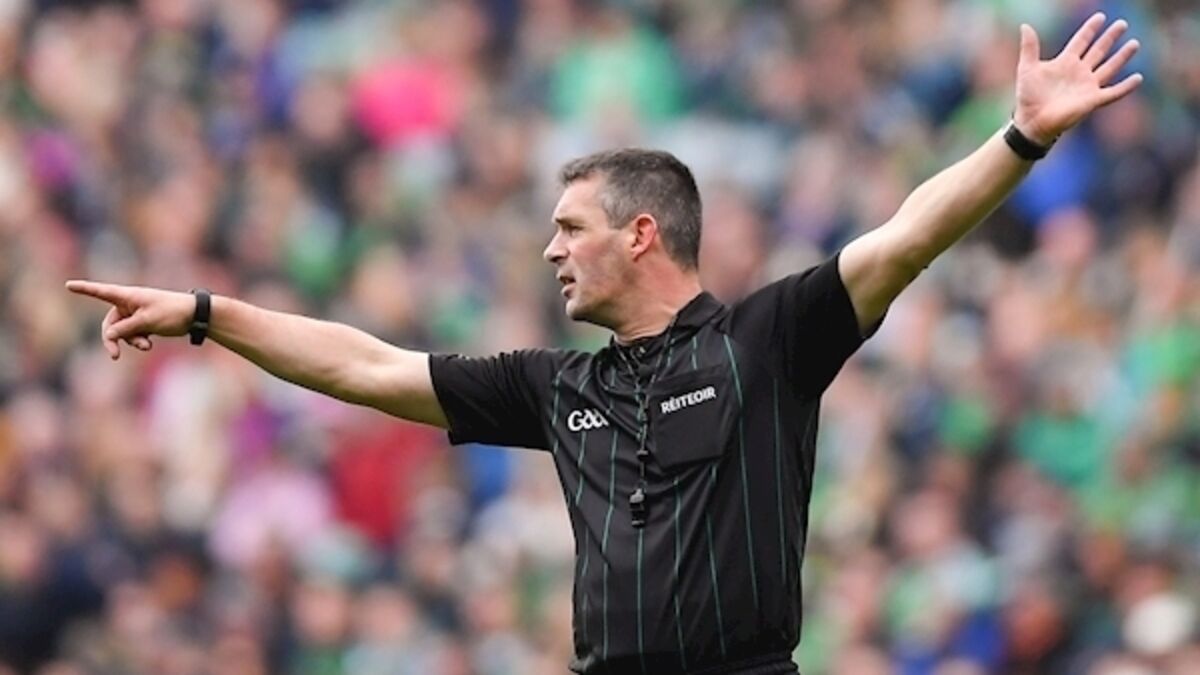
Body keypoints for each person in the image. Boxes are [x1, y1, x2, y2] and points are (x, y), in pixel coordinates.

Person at [67, 14, 1142, 674]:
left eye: (569, 227)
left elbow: (904, 239)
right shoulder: (555, 386)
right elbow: (366, 365)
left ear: (641, 234)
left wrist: (1021, 137)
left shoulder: (769, 340)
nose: (549, 250)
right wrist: (209, 313)